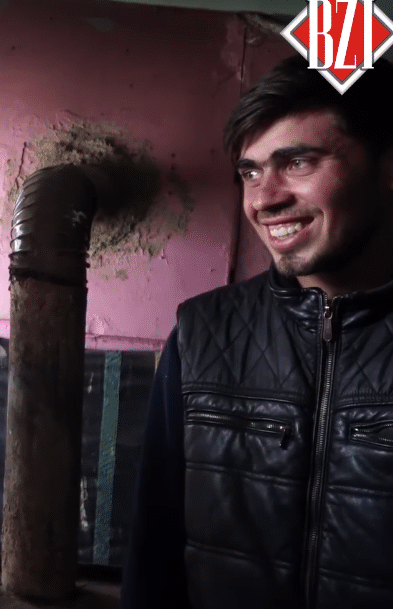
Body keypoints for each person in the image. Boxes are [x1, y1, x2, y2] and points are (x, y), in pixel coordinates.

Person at [121, 55, 393, 608]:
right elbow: (154, 550)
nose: (263, 199)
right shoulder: (200, 334)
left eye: (297, 162)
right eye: (249, 172)